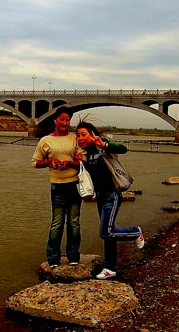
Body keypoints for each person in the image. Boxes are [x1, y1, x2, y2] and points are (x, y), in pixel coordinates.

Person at [75, 121, 144, 279]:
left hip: (112, 194)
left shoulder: (102, 146)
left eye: (83, 134)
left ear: (93, 134)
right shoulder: (87, 153)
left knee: (106, 231)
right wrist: (81, 161)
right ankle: (110, 268)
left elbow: (123, 149)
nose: (80, 138)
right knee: (109, 233)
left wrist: (104, 144)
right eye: (78, 135)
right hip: (100, 196)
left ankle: (135, 232)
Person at [31, 108, 81, 267]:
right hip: (57, 186)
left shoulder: (75, 139)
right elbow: (35, 162)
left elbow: (82, 162)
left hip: (75, 185)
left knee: (74, 222)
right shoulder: (45, 140)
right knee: (57, 223)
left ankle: (73, 256)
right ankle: (53, 258)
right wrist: (49, 163)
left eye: (67, 120)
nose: (65, 123)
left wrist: (70, 163)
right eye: (62, 120)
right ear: (55, 120)